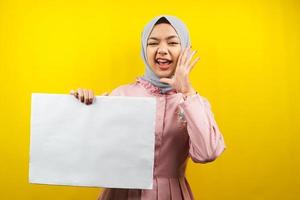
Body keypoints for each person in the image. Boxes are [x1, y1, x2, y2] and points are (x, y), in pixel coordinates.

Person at [70, 15, 226, 200]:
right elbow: (92, 153)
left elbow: (207, 153)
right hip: (122, 194)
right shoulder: (121, 95)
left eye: (172, 43)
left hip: (172, 194)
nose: (162, 50)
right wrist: (83, 110)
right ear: (144, 49)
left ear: (185, 49)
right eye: (153, 43)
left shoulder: (194, 102)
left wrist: (186, 91)